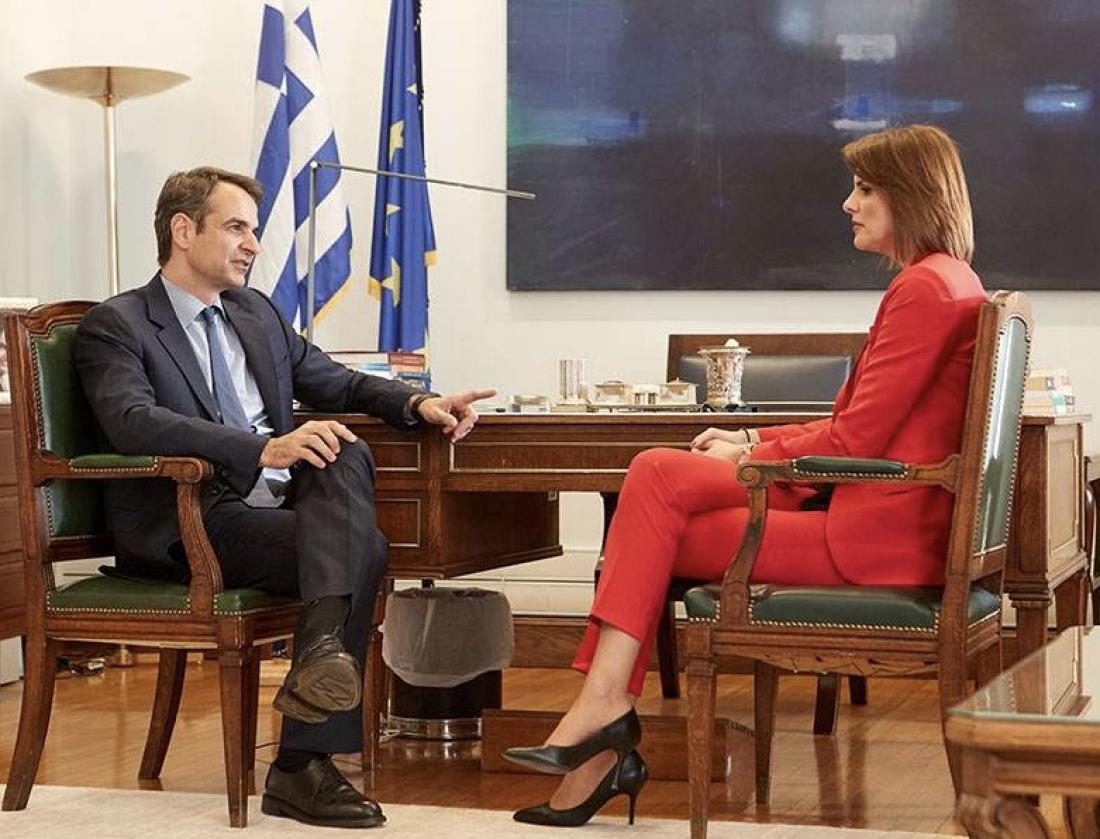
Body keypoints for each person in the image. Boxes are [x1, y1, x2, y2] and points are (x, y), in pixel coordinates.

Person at [504, 124, 986, 826]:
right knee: (657, 484)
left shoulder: (924, 289)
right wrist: (753, 438)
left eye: (864, 189)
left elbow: (854, 438)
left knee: (653, 493)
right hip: (883, 517)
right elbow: (857, 423)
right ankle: (599, 727)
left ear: (910, 195)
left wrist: (748, 456)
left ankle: (603, 717)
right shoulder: (949, 280)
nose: (848, 203)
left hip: (872, 538)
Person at [74, 166, 495, 829]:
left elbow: (337, 382)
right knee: (363, 547)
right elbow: (133, 421)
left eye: (254, 229)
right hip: (192, 518)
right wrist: (259, 447)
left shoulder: (256, 312)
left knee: (341, 448)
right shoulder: (118, 324)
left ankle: (320, 663)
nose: (252, 244)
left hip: (272, 509)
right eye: (236, 227)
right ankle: (301, 763)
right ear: (183, 230)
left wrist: (418, 403)